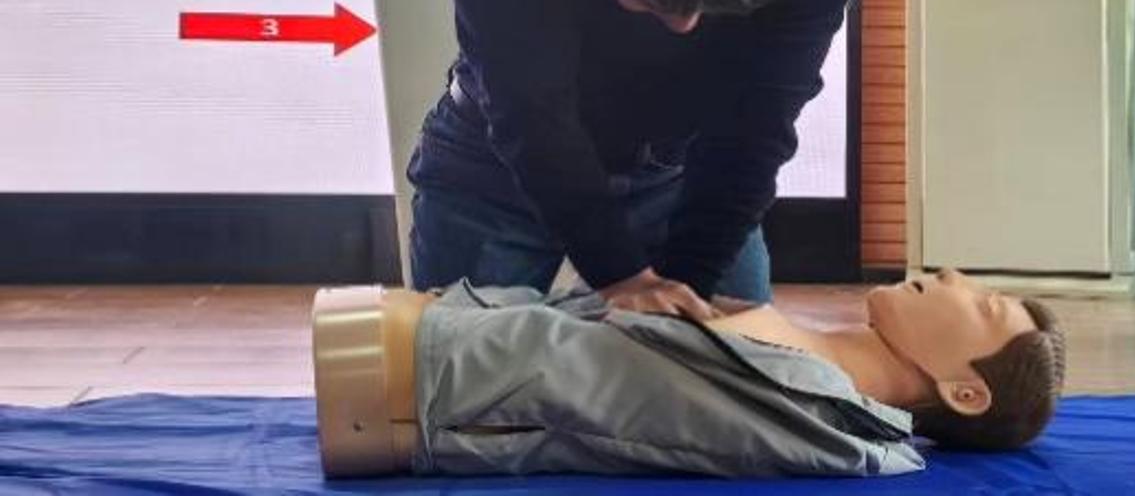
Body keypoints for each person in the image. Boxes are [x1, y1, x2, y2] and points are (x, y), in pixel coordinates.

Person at [406, 0, 859, 318]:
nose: (683, 24)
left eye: (710, 6)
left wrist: (685, 291)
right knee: (463, 356)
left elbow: (754, 131)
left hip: (676, 177)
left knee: (729, 357)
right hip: (494, 169)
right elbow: (531, 109)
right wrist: (622, 275)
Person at [311, 268, 1066, 478]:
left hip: (411, 384)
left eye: (985, 306)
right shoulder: (815, 363)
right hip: (431, 331)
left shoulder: (832, 423)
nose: (953, 275)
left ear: (965, 392)